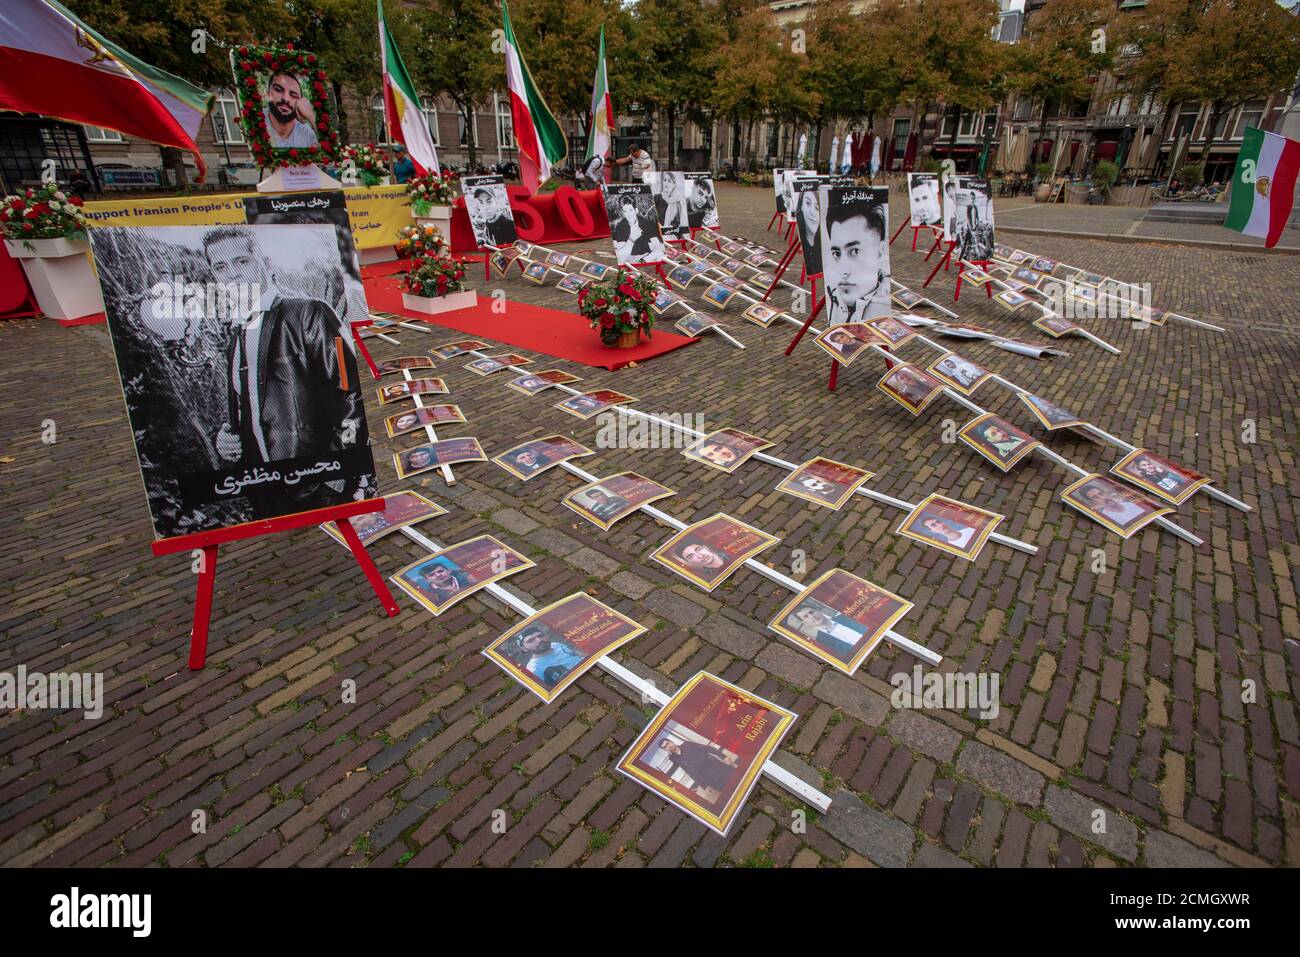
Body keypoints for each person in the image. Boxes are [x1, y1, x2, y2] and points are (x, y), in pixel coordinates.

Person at [207, 227, 363, 495]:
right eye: (220, 267)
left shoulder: (307, 313)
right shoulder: (236, 332)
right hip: (264, 488)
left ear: (264, 263)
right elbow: (255, 408)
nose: (231, 274)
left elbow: (351, 392)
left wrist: (341, 467)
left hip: (319, 483)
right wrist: (227, 439)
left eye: (241, 261)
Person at [823, 196, 889, 324]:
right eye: (836, 253)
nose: (843, 270)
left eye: (855, 251)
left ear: (880, 250)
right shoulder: (832, 296)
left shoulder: (883, 308)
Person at [656, 737, 738, 800]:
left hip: (716, 766)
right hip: (709, 778)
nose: (668, 746)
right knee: (730, 793)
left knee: (737, 778)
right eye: (665, 746)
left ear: (671, 741)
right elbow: (690, 772)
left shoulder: (687, 744)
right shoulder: (676, 759)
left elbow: (707, 748)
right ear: (665, 750)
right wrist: (704, 786)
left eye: (668, 743)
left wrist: (724, 757)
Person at [515, 624, 585, 687]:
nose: (539, 640)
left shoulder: (556, 644)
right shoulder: (533, 670)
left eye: (540, 636)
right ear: (524, 649)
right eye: (531, 640)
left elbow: (574, 654)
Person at [262, 72, 319, 149]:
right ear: (268, 94)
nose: (285, 99)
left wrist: (311, 116)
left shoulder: (306, 133)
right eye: (278, 90)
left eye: (293, 95)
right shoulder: (256, 121)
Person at [789, 603, 865, 655]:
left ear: (818, 611)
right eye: (806, 616)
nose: (812, 616)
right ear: (805, 623)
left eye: (811, 612)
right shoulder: (821, 642)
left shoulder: (844, 616)